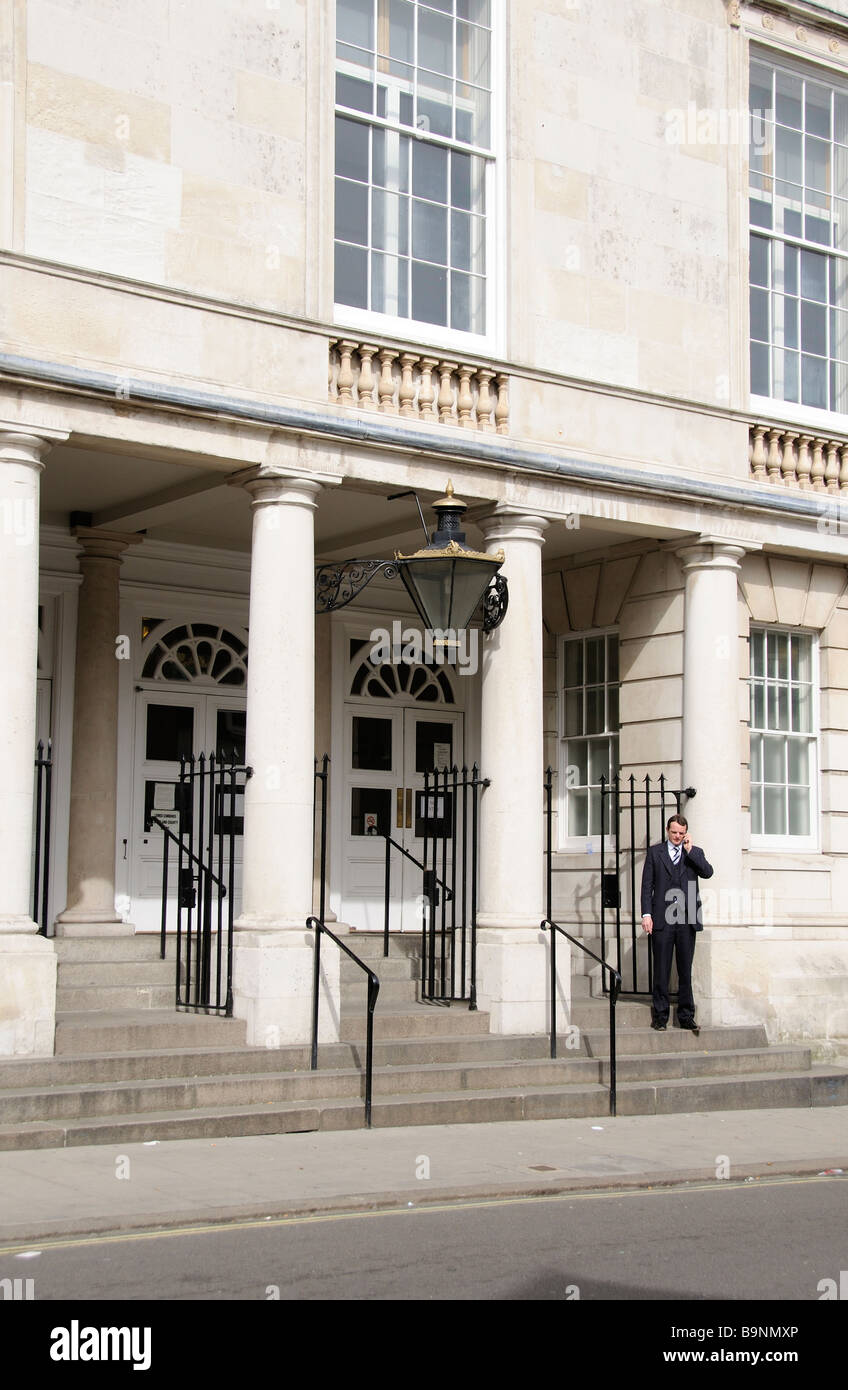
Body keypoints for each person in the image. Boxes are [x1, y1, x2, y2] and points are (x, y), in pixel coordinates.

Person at [640, 814, 713, 1036]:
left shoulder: (694, 852)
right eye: (674, 833)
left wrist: (690, 851)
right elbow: (646, 886)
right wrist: (646, 914)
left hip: (686, 919)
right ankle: (660, 1017)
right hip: (662, 918)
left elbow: (708, 872)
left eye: (681, 833)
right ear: (667, 830)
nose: (678, 837)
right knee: (661, 969)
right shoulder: (655, 852)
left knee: (685, 970)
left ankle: (686, 1016)